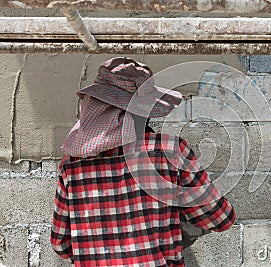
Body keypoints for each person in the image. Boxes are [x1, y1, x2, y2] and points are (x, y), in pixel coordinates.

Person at [50, 57, 236, 266]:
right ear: (143, 111)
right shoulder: (170, 151)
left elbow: (61, 244)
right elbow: (220, 218)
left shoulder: (72, 164)